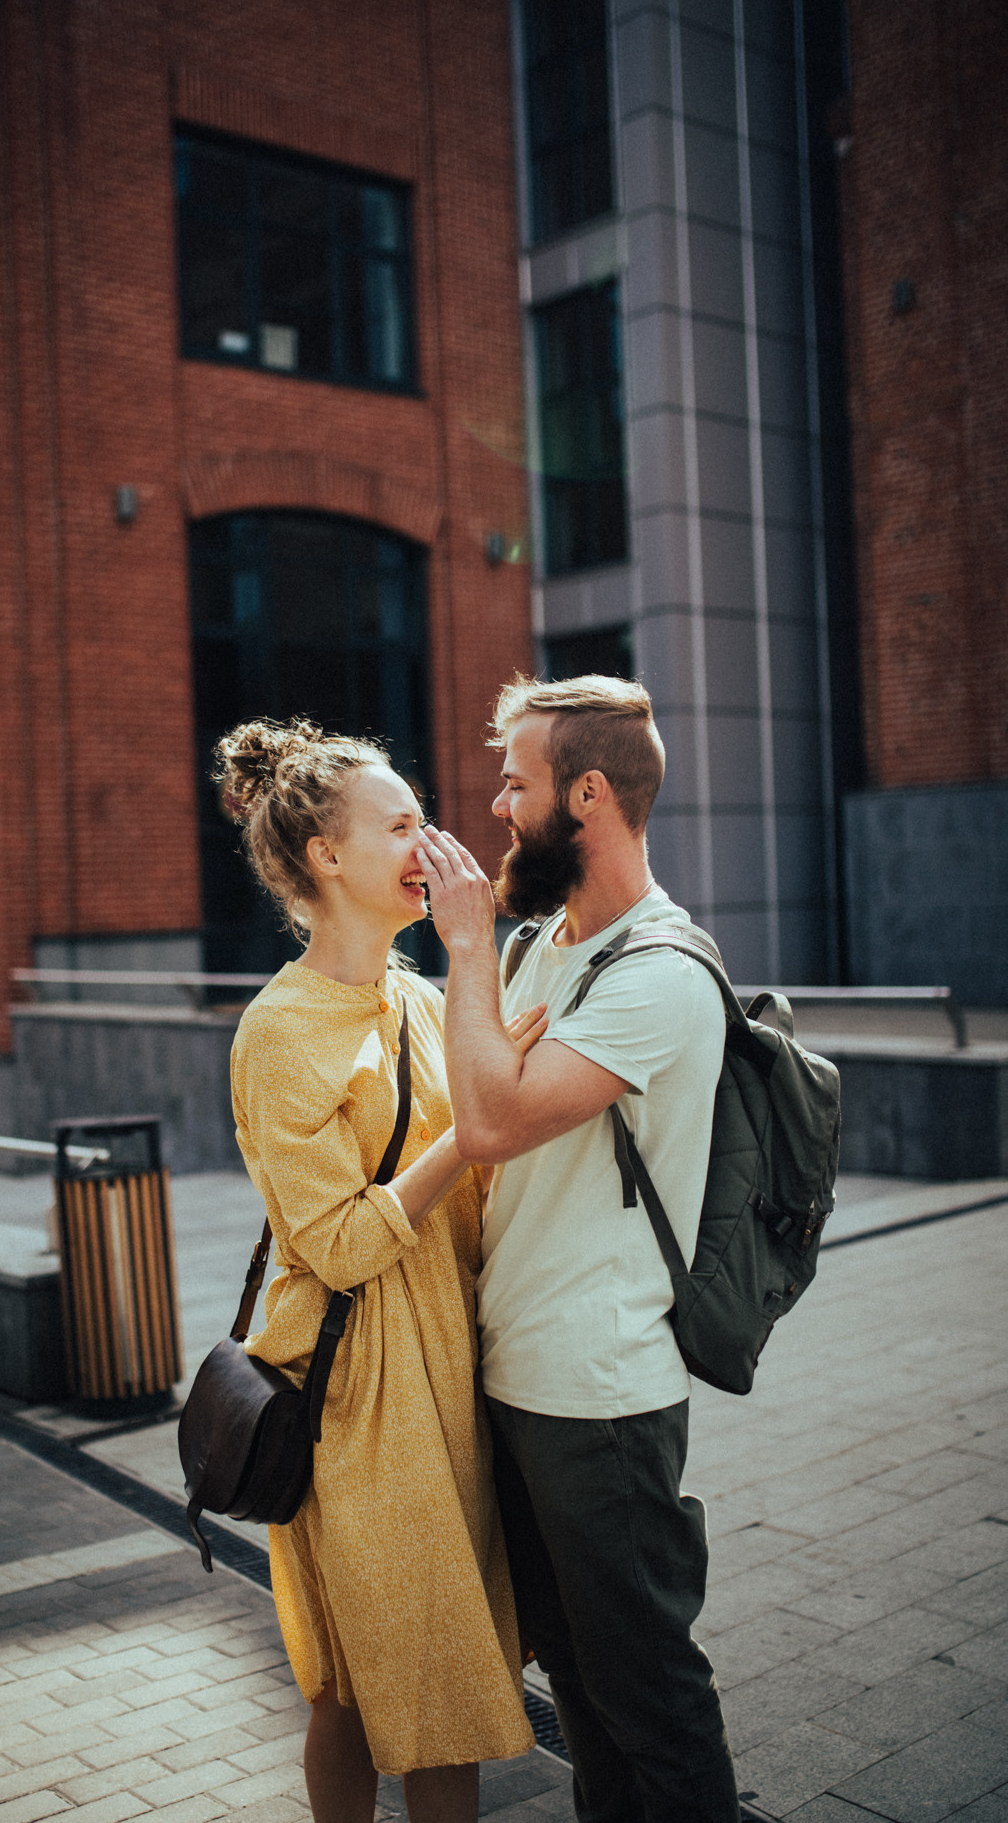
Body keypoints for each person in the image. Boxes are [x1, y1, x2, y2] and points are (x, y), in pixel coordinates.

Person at [416, 673, 742, 1823]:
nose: (496, 805)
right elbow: (482, 1122)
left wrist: (463, 949)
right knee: (587, 1701)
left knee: (647, 1699)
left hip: (599, 1400)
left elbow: (491, 1118)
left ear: (587, 794)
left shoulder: (660, 973)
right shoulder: (545, 946)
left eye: (516, 782)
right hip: (521, 1384)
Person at [218, 716, 537, 1823]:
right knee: (366, 1692)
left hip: (450, 1376)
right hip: (355, 1397)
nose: (429, 841)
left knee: (419, 1683)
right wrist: (477, 1131)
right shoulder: (277, 1030)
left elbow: (485, 1197)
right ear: (326, 856)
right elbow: (344, 1242)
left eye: (426, 819)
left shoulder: (416, 994)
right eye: (402, 823)